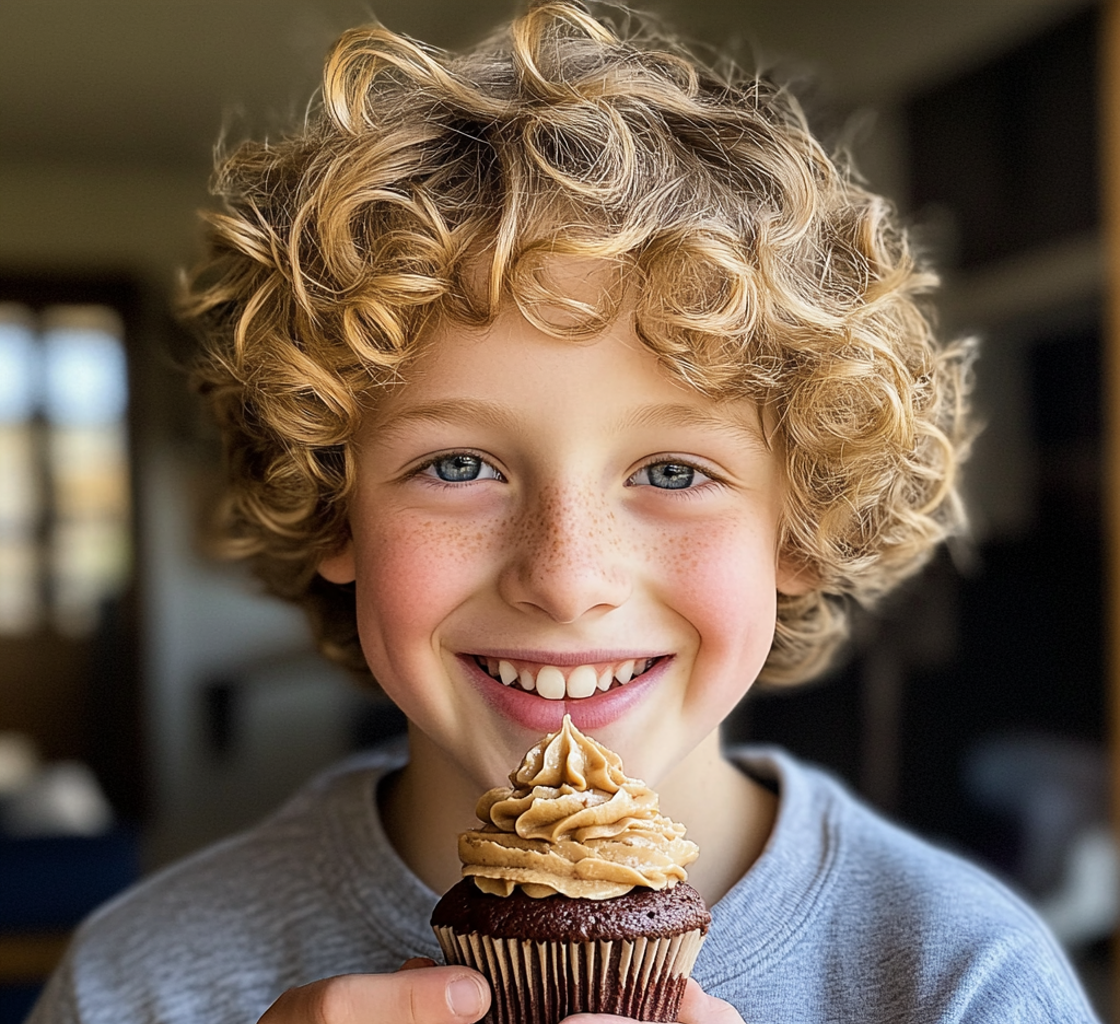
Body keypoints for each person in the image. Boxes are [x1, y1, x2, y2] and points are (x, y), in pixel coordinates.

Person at [28, 2, 1100, 1021]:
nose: (565, 574)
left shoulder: (965, 976)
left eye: (674, 472)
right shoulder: (144, 981)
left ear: (802, 527)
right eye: (457, 464)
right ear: (331, 510)